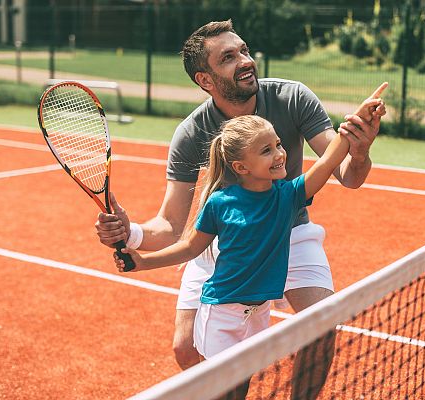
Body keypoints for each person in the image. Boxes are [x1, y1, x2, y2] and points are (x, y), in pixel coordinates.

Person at [95, 19, 386, 398]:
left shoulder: (292, 97)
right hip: (222, 238)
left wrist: (359, 149)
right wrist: (129, 234)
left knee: (321, 323)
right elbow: (170, 225)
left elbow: (347, 174)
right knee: (186, 350)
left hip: (289, 228)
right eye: (229, 57)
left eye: (244, 51)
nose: (245, 61)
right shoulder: (191, 132)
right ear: (205, 79)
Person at [114, 113, 363, 398]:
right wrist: (143, 262)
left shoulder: (289, 195)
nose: (280, 154)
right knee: (223, 392)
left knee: (241, 387)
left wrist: (350, 129)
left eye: (278, 144)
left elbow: (327, 162)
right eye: (266, 150)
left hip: (258, 315)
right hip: (222, 316)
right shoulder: (220, 203)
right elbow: (191, 248)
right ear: (240, 166)